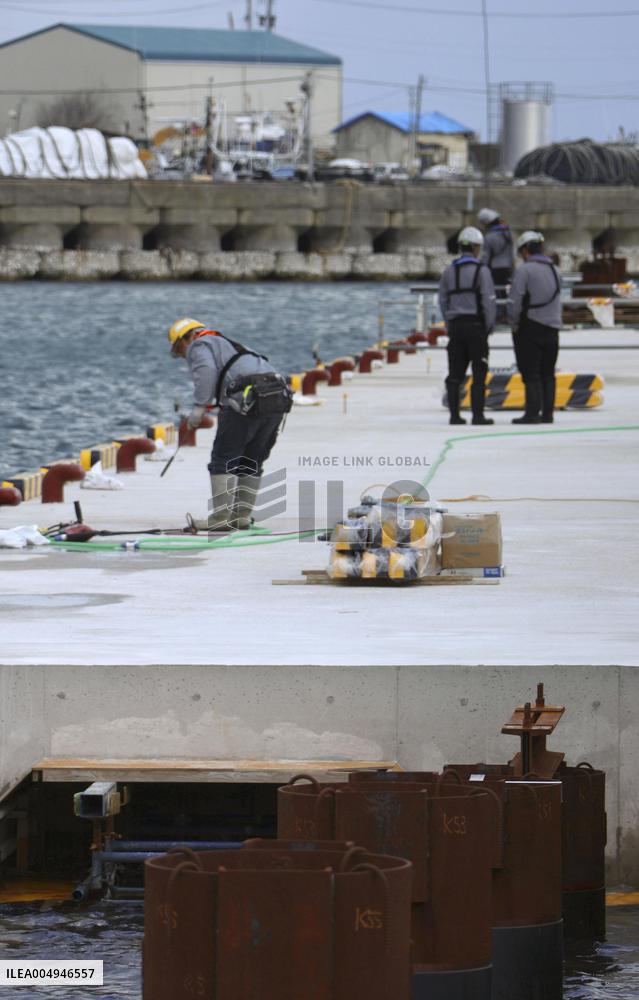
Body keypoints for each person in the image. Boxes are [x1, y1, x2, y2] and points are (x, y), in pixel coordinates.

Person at [167, 317, 292, 530]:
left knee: (223, 458)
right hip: (276, 398)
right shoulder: (227, 344)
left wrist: (199, 406)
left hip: (245, 401)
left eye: (179, 350)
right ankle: (241, 517)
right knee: (252, 458)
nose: (182, 356)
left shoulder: (200, 344)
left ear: (186, 339)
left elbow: (206, 371)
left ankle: (221, 519)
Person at [438, 226, 497, 426]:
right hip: (476, 327)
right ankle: (478, 415)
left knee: (455, 373)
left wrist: (449, 323)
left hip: (455, 327)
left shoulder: (448, 271)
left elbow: (442, 301)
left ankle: (454, 415)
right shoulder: (483, 271)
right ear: (475, 248)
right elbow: (489, 302)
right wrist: (489, 326)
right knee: (479, 373)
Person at [507, 231, 562, 424]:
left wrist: (513, 323)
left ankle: (532, 413)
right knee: (548, 373)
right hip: (553, 328)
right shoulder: (555, 270)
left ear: (526, 250)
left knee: (531, 373)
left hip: (530, 326)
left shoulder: (524, 270)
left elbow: (515, 301)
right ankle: (548, 414)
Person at [477, 207, 514, 287]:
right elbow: (511, 254)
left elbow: (485, 258)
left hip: (494, 269)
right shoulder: (508, 234)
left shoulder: (488, 237)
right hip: (507, 268)